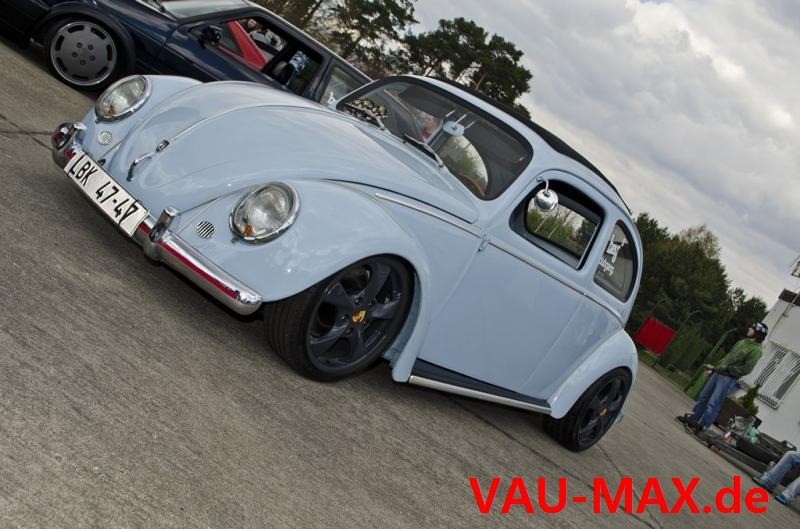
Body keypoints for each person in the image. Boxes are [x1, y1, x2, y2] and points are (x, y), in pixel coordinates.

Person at [676, 322, 768, 432]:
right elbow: (727, 358)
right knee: (703, 398)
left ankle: (702, 427)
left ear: (758, 333)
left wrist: (729, 370)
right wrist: (714, 370)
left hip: (728, 378)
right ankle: (693, 420)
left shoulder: (756, 351)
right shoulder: (742, 342)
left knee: (713, 403)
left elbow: (747, 369)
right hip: (718, 373)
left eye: (752, 328)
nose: (749, 328)